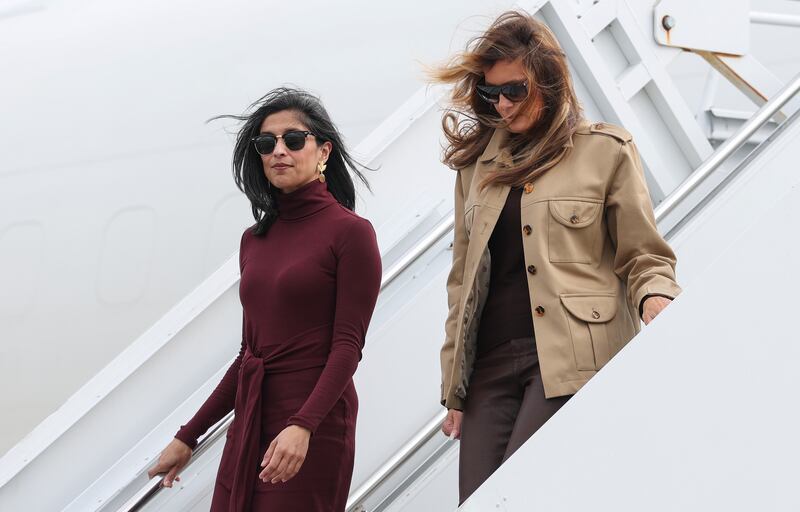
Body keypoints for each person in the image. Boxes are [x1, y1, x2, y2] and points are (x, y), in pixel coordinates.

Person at [432, 11, 682, 504]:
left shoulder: (606, 150)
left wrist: (655, 296)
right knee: (478, 500)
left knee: (528, 492)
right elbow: (462, 281)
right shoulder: (474, 171)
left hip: (571, 356)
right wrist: (454, 386)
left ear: (548, 78)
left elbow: (643, 253)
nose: (502, 104)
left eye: (515, 90)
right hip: (490, 367)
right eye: (490, 94)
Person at [147, 87, 382, 511]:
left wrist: (303, 426)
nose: (279, 151)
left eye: (293, 140)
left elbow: (348, 347)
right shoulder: (254, 240)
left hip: (312, 423)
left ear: (322, 151)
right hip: (251, 418)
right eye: (266, 143)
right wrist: (188, 436)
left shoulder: (351, 233)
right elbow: (249, 354)